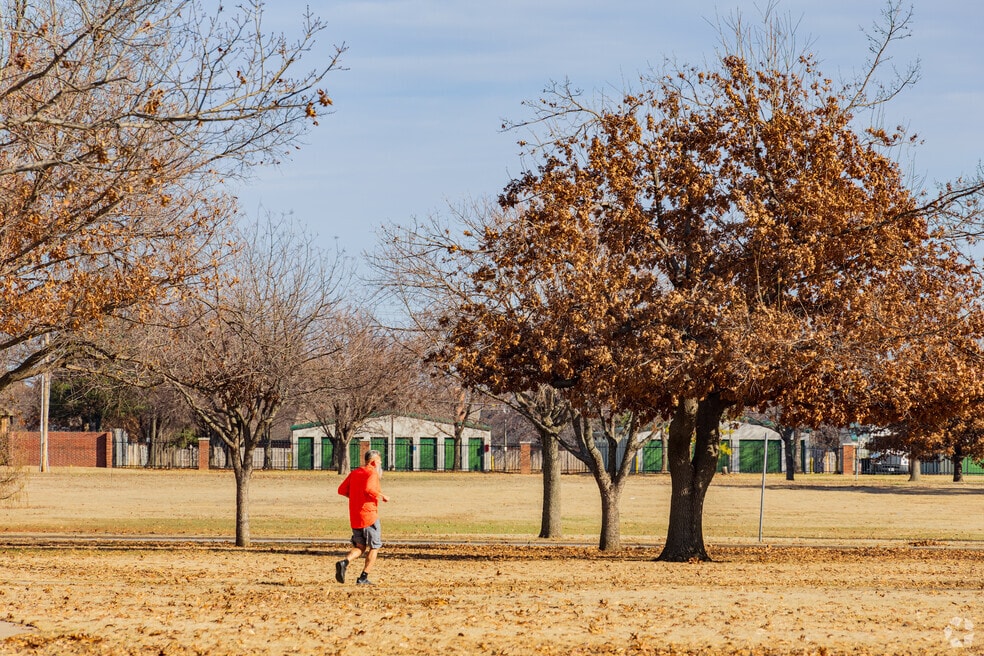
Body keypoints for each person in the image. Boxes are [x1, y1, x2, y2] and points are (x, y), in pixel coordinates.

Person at [335, 449, 389, 585]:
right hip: (369, 515)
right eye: (379, 461)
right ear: (373, 462)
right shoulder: (372, 473)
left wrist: (355, 497)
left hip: (355, 516)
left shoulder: (355, 472)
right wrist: (382, 496)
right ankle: (363, 577)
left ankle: (344, 562)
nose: (381, 463)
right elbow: (369, 489)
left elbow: (341, 490)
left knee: (360, 546)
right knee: (375, 546)